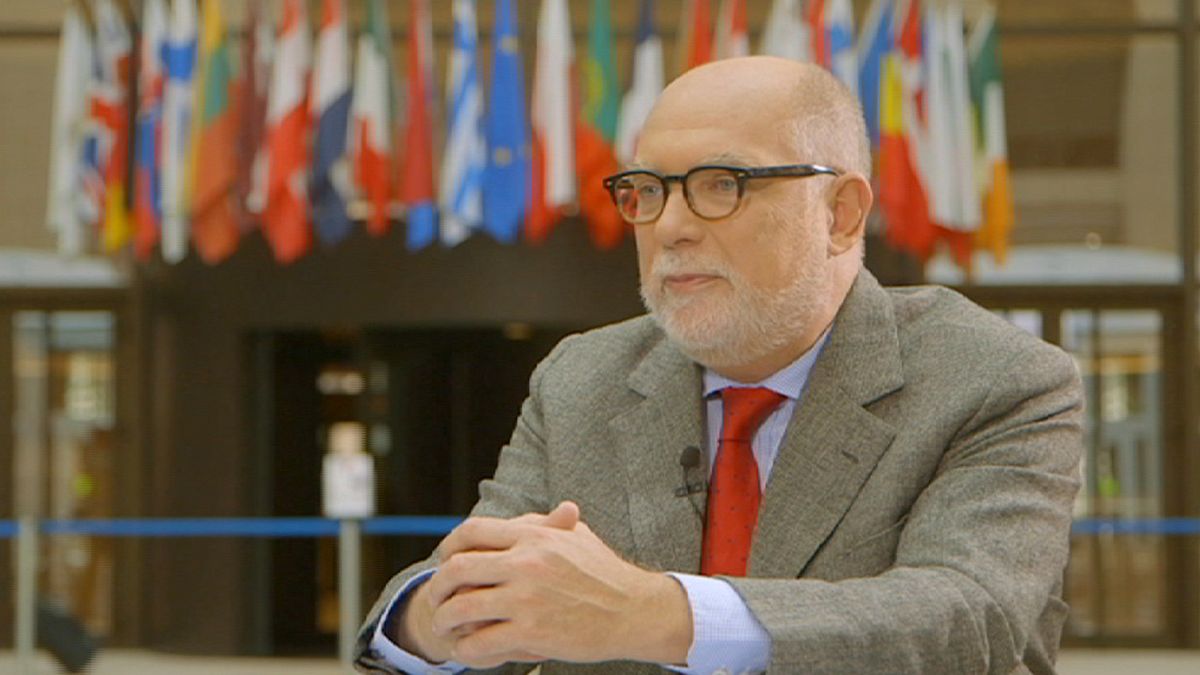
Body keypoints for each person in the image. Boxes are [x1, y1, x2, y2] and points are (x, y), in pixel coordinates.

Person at [354, 56, 1083, 675]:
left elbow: (971, 619)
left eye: (721, 184)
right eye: (647, 190)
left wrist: (653, 615)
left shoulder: (996, 379)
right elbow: (445, 596)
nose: (670, 226)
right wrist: (435, 616)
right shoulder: (582, 378)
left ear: (840, 214)